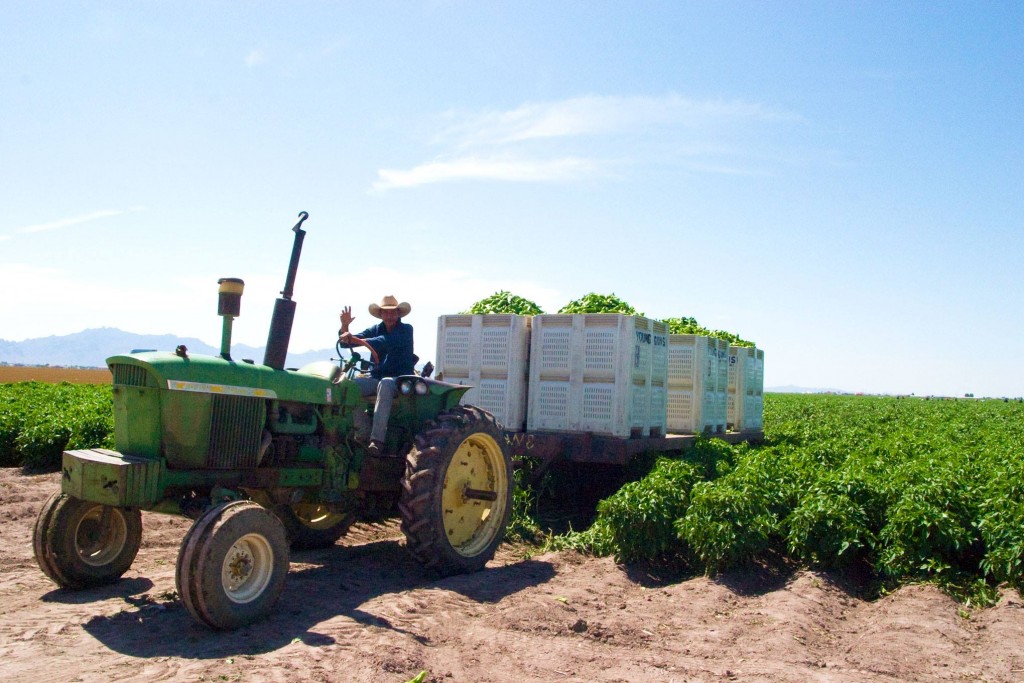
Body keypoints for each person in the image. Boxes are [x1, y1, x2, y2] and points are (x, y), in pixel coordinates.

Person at [338, 295, 415, 456]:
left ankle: (377, 440)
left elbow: (384, 341)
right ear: (380, 314)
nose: (389, 316)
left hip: (399, 381)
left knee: (386, 384)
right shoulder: (375, 329)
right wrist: (345, 327)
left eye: (393, 312)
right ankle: (362, 432)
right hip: (377, 378)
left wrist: (356, 340)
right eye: (385, 312)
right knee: (350, 385)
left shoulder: (406, 330)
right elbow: (347, 343)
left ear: (399, 314)